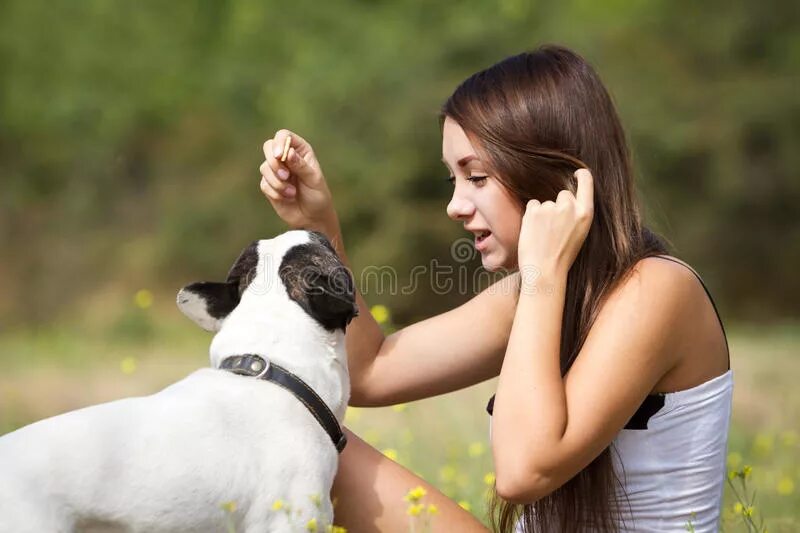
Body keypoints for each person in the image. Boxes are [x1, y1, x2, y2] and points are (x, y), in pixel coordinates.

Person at [258, 45, 732, 532]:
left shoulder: (656, 290)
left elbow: (524, 472)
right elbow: (367, 370)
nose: (455, 206)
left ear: (555, 179)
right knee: (284, 418)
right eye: (453, 179)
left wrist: (543, 277)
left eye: (476, 176)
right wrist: (319, 226)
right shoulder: (534, 296)